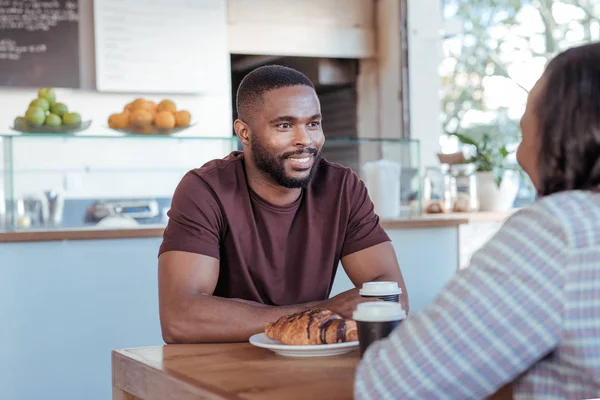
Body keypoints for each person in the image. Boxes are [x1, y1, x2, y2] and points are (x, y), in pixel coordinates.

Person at [355, 42, 600, 400]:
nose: (517, 153)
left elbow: (392, 385)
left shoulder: (561, 231)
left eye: (524, 126)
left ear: (562, 133)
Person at [158, 65, 408, 344]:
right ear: (244, 133)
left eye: (313, 123)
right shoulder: (204, 189)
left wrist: (305, 319)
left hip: (313, 359)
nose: (305, 140)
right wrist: (325, 311)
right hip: (224, 363)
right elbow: (180, 319)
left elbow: (392, 297)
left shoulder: (342, 188)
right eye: (285, 125)